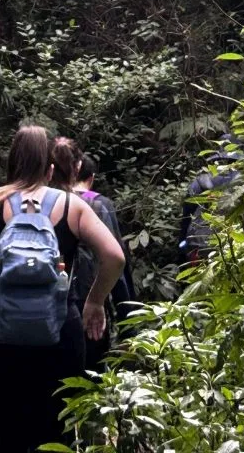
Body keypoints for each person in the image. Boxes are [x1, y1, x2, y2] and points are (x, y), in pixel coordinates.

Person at [0, 126, 126, 453]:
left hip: (4, 333)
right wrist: (95, 302)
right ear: (50, 169)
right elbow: (114, 256)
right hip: (60, 331)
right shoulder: (72, 206)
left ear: (11, 164)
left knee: (9, 430)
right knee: (57, 432)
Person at [66, 152, 137, 374]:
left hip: (57, 300)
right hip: (91, 297)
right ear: (91, 177)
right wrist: (128, 320)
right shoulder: (99, 205)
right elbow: (116, 261)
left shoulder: (52, 202)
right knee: (92, 369)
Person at [177, 135, 244, 265]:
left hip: (198, 246)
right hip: (234, 245)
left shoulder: (200, 181)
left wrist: (181, 247)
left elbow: (186, 217)